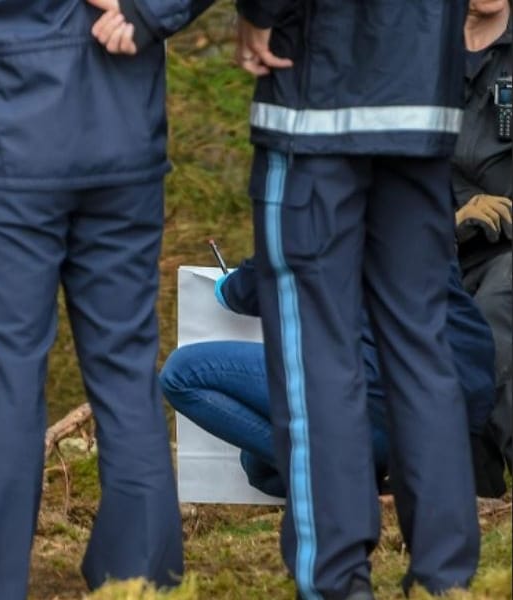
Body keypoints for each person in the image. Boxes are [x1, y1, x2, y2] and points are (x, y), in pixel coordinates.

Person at [0, 0, 216, 596]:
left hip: (8, 133)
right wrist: (149, 13)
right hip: (124, 136)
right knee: (125, 372)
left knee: (2, 382)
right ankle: (140, 579)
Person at [234, 1, 477, 597]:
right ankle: (444, 579)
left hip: (319, 95)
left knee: (316, 350)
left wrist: (259, 11)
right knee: (421, 339)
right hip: (425, 101)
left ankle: (336, 579)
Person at [160, 257, 502, 499]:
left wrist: (233, 289)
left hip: (384, 392)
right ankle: (367, 474)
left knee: (182, 373)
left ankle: (345, 479)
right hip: (455, 401)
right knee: (259, 466)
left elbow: (272, 270)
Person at [452, 0, 512, 482]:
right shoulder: (423, 55)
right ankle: (472, 487)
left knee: (494, 311)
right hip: (439, 241)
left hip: (508, 246)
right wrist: (456, 213)